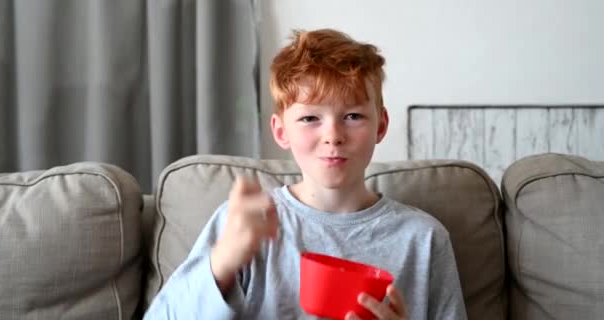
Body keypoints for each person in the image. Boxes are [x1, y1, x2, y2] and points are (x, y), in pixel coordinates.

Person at [144, 28, 467, 320]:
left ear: (380, 126)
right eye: (310, 118)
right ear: (281, 131)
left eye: (353, 116)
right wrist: (224, 262)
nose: (333, 135)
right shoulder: (245, 223)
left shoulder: (423, 238)